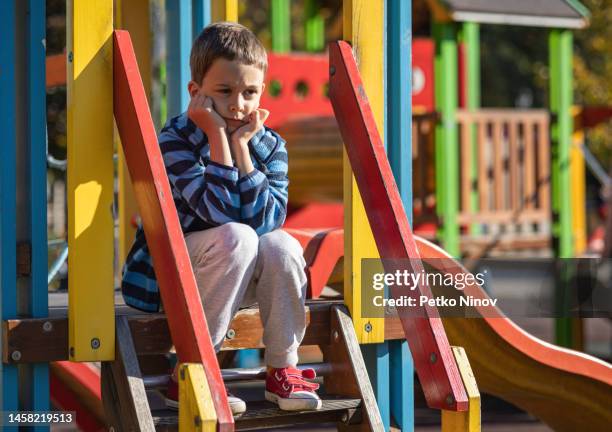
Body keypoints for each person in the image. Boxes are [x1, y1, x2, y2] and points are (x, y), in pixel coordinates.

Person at [121, 22, 321, 414]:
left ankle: (283, 370)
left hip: (235, 274)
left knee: (281, 243)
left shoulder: (270, 145)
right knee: (237, 236)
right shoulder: (175, 140)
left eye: (250, 92)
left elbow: (269, 222)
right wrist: (216, 138)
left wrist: (243, 149)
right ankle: (194, 369)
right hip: (175, 277)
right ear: (196, 93)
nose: (238, 105)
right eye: (224, 92)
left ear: (262, 91)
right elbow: (218, 212)